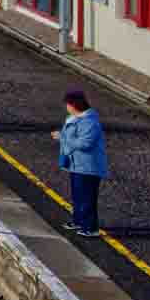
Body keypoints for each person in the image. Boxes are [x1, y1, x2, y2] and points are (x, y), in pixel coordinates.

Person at [50, 91, 107, 236]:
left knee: (87, 197)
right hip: (76, 164)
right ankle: (78, 221)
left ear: (74, 105)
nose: (66, 108)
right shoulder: (73, 118)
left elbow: (85, 143)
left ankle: (91, 228)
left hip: (88, 167)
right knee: (77, 196)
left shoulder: (90, 122)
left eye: (68, 105)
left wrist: (62, 137)